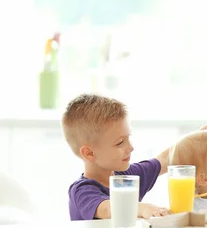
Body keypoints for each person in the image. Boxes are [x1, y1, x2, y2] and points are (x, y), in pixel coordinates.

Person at [62, 93, 171, 221]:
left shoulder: (127, 176)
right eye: (120, 143)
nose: (131, 147)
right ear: (89, 153)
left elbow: (165, 159)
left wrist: (198, 137)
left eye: (128, 137)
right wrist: (144, 208)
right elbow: (108, 209)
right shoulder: (82, 191)